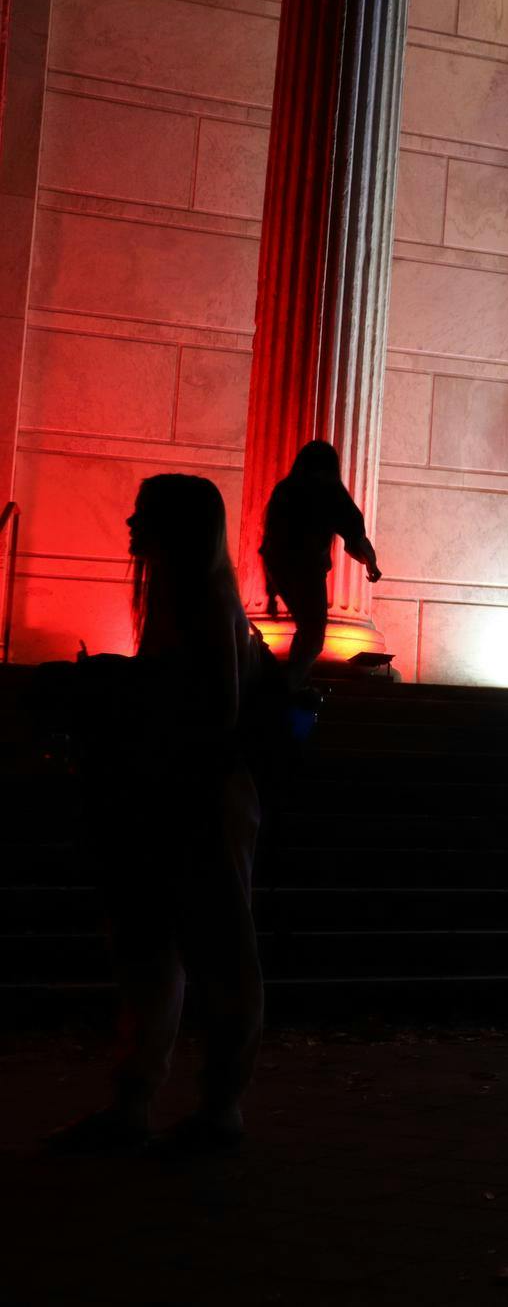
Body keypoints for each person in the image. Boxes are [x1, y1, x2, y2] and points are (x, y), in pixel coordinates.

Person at [47, 474, 265, 1156]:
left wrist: (116, 686)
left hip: (195, 802)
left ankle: (208, 1108)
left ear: (176, 527)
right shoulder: (188, 597)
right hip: (177, 800)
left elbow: (212, 710)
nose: (130, 523)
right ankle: (152, 1103)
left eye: (144, 514)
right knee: (159, 954)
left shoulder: (201, 603)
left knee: (206, 955)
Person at [258, 440, 381, 685]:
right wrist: (371, 562)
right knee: (312, 635)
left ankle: (291, 680)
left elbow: (269, 542)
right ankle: (289, 684)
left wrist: (270, 590)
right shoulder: (328, 491)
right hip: (305, 569)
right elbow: (355, 533)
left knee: (310, 632)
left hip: (284, 566)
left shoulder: (287, 490)